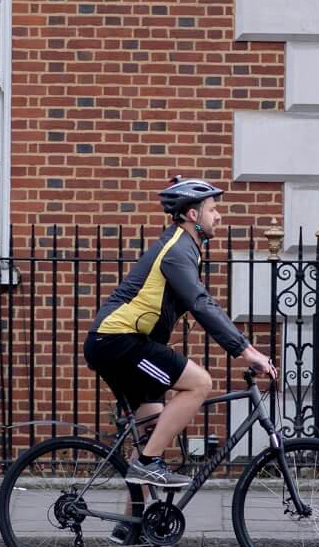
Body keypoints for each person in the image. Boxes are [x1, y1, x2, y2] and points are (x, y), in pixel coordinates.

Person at [84, 177, 275, 500]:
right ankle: (148, 462)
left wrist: (246, 348)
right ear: (191, 214)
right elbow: (201, 303)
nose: (219, 216)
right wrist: (246, 351)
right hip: (118, 341)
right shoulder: (176, 250)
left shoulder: (182, 247)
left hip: (121, 343)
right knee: (200, 383)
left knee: (150, 432)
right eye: (212, 209)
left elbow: (197, 304)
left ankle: (137, 530)